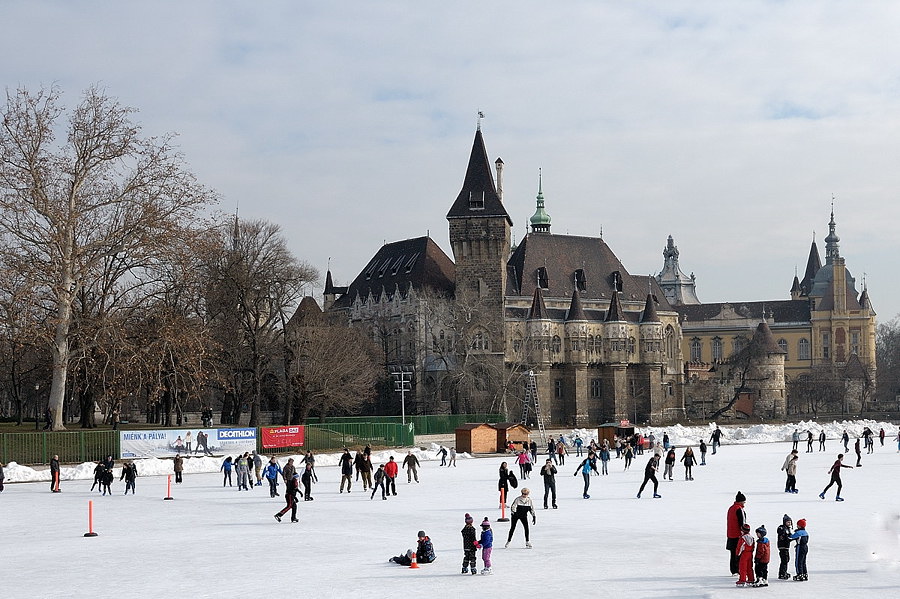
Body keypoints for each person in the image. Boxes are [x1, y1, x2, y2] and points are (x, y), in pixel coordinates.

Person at [726, 492, 748, 575]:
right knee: (739, 553)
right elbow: (742, 523)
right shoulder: (739, 509)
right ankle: (738, 569)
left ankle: (733, 570)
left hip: (730, 534)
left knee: (732, 553)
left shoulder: (731, 508)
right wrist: (745, 533)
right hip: (737, 535)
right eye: (744, 502)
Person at [776, 514, 794, 580]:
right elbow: (783, 536)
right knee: (784, 560)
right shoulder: (782, 528)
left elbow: (789, 536)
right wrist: (789, 538)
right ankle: (782, 573)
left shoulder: (788, 529)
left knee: (786, 559)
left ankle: (784, 572)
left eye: (790, 522)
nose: (789, 523)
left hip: (786, 547)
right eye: (788, 522)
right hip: (782, 546)